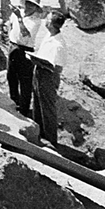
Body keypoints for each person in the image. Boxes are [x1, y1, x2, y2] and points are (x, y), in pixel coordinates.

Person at [31, 12, 69, 147]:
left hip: (48, 76)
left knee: (47, 108)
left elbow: (58, 68)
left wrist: (43, 64)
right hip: (39, 72)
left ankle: (51, 140)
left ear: (52, 25)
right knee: (37, 103)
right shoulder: (49, 36)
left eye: (47, 19)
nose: (45, 21)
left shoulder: (59, 45)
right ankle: (38, 134)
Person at [5, 0, 44, 115]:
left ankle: (24, 109)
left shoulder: (35, 21)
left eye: (31, 5)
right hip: (13, 46)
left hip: (25, 50)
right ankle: (14, 101)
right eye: (27, 3)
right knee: (11, 76)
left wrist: (19, 18)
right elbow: (10, 24)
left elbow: (25, 34)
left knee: (25, 81)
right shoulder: (19, 12)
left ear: (35, 8)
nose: (28, 6)